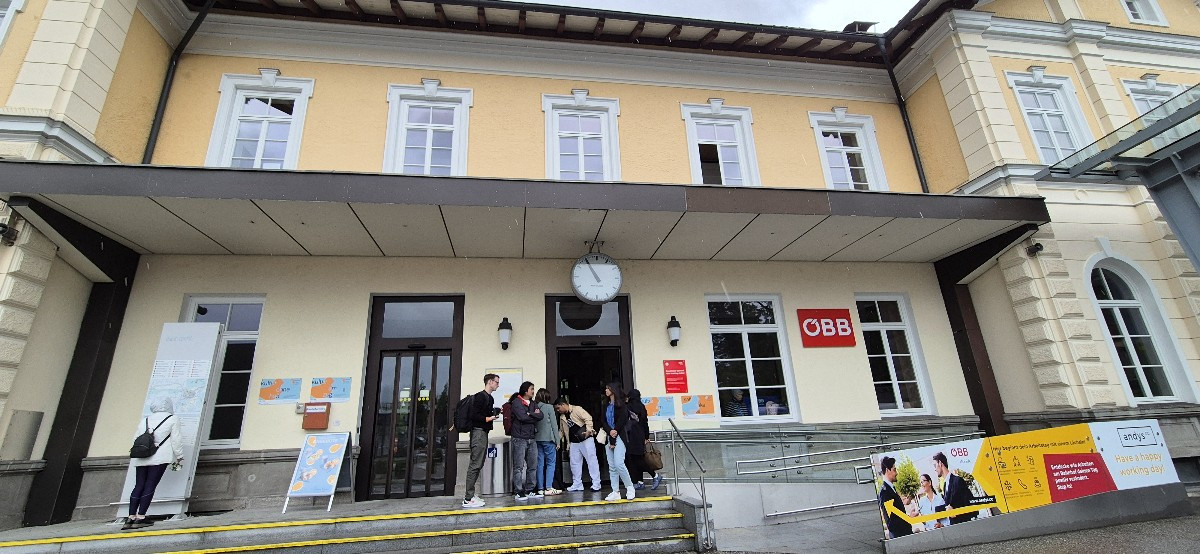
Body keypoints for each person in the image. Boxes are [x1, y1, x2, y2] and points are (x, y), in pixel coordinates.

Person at [124, 398, 183, 530]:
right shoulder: (172, 419)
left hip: (142, 456)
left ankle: (130, 517)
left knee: (139, 485)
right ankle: (141, 517)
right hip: (159, 457)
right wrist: (179, 456)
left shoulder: (146, 419)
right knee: (150, 485)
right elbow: (176, 439)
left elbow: (135, 439)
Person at [462, 373, 500, 509]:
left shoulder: (489, 398)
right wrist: (488, 418)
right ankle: (468, 498)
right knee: (475, 464)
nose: (498, 385)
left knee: (478, 464)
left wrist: (494, 413)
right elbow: (474, 415)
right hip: (478, 433)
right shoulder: (480, 396)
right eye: (496, 382)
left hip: (483, 432)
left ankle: (471, 495)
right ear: (490, 382)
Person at [555, 396, 602, 492]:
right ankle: (577, 484)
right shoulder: (562, 417)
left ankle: (596, 483)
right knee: (574, 463)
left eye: (558, 408)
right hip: (573, 441)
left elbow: (588, 418)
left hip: (586, 439)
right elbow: (562, 431)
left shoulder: (577, 409)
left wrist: (589, 430)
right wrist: (556, 440)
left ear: (563, 405)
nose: (558, 410)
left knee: (591, 461)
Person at [600, 382, 636, 501]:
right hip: (609, 436)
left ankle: (630, 487)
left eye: (608, 388)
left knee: (619, 463)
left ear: (613, 390)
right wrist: (610, 431)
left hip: (620, 435)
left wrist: (615, 430)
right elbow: (603, 421)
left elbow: (623, 419)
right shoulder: (605, 405)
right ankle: (615, 491)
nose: (606, 390)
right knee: (612, 466)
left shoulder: (622, 405)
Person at [509, 381, 544, 501]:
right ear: (525, 390)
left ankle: (530, 489)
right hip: (519, 438)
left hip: (531, 438)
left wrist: (530, 413)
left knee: (532, 466)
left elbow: (541, 416)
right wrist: (533, 415)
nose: (533, 391)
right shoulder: (516, 402)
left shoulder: (533, 403)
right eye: (531, 389)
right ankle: (518, 491)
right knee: (518, 466)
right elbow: (522, 417)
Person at [625, 389, 661, 491]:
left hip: (631, 436)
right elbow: (645, 423)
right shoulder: (642, 406)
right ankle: (640, 482)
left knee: (637, 459)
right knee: (637, 458)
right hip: (640, 435)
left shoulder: (628, 407)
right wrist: (646, 436)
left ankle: (655, 476)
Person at [533, 388, 562, 496]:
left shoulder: (534, 407)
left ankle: (540, 488)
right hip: (548, 439)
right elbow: (554, 425)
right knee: (550, 463)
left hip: (537, 439)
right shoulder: (549, 407)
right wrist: (558, 441)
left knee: (540, 464)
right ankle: (549, 487)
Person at [933, 452, 975, 524]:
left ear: (940, 463)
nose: (935, 469)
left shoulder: (958, 480)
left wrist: (956, 512)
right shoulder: (945, 485)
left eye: (935, 465)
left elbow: (971, 505)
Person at [877, 456, 913, 539]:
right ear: (887, 470)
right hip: (901, 538)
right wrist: (908, 519)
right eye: (894, 470)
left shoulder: (891, 489)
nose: (897, 473)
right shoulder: (885, 492)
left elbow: (896, 515)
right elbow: (891, 523)